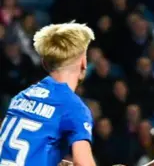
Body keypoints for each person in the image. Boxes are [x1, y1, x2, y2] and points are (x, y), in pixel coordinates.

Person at [0, 22, 97, 166]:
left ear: (45, 63)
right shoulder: (73, 107)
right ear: (83, 63)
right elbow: (83, 163)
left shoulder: (20, 98)